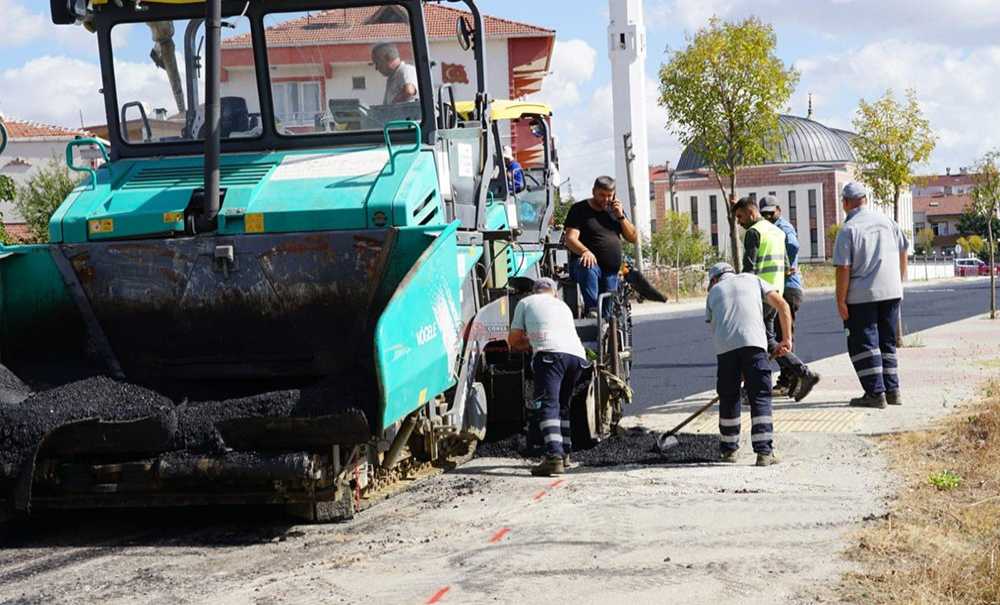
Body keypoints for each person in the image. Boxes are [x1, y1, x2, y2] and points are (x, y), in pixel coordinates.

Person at [705, 262, 793, 466]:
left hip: (725, 350)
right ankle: (764, 453)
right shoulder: (753, 280)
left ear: (714, 280)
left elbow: (716, 330)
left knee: (729, 397)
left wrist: (734, 365)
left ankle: (728, 451)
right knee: (760, 395)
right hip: (755, 345)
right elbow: (783, 305)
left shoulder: (713, 293)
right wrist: (786, 339)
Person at [734, 197, 821, 402]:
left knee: (752, 343)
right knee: (768, 339)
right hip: (776, 294)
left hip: (759, 295)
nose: (738, 222)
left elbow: (748, 269)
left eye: (740, 216)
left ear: (751, 213)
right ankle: (801, 373)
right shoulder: (777, 232)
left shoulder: (754, 233)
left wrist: (741, 295)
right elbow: (788, 265)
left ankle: (796, 375)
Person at [833, 182, 909, 409]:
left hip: (862, 295)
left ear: (845, 203)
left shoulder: (848, 230)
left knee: (863, 344)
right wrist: (900, 278)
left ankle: (875, 393)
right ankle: (893, 390)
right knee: (887, 341)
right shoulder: (888, 221)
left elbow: (843, 268)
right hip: (892, 292)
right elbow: (904, 248)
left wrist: (840, 300)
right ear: (865, 199)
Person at [508, 277, 589, 477]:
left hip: (550, 356)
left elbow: (513, 339)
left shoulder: (526, 302)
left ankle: (554, 457)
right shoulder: (563, 306)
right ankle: (565, 453)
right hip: (577, 358)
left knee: (547, 405)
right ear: (554, 292)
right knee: (562, 405)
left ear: (534, 291)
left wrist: (528, 345)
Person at [563, 176, 639, 316]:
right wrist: (585, 251)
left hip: (610, 271)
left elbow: (633, 237)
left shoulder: (616, 212)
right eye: (602, 195)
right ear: (593, 192)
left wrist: (621, 217)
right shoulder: (579, 209)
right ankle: (592, 310)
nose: (606, 199)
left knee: (608, 314)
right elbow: (570, 238)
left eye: (609, 196)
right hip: (587, 266)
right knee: (587, 265)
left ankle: (607, 329)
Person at [760, 197, 805, 397]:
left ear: (779, 210)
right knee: (776, 336)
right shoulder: (771, 227)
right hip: (779, 289)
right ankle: (791, 377)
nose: (768, 217)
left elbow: (793, 245)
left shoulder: (782, 228)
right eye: (765, 214)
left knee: (781, 337)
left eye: (771, 213)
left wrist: (786, 266)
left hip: (787, 288)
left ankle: (792, 379)